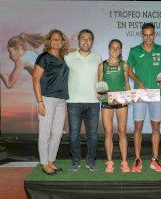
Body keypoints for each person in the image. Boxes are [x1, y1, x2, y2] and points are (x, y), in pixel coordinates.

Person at [127, 22, 161, 172]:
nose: (148, 37)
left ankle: (155, 160)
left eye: (151, 34)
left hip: (156, 94)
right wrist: (138, 82)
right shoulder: (134, 51)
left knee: (156, 127)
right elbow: (129, 70)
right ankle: (137, 159)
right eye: (145, 35)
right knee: (138, 127)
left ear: (154, 35)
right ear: (142, 35)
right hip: (140, 93)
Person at [32, 29, 69, 175]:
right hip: (46, 99)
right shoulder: (43, 57)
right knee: (45, 133)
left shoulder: (63, 58)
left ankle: (51, 161)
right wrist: (40, 102)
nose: (56, 41)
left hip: (61, 100)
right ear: (49, 41)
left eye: (59, 39)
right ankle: (44, 163)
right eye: (53, 39)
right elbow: (35, 79)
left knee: (58, 133)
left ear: (63, 42)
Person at [64, 29, 102, 172]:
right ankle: (75, 161)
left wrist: (101, 93)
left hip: (93, 102)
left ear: (92, 41)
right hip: (74, 102)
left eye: (89, 39)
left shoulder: (98, 58)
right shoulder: (68, 57)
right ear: (78, 40)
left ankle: (91, 161)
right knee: (74, 134)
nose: (86, 41)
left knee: (92, 134)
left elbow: (101, 80)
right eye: (83, 38)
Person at [98, 39, 131, 173]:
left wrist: (128, 97)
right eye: (113, 47)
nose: (115, 50)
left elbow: (127, 83)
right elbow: (99, 87)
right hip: (107, 103)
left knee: (122, 132)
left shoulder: (124, 65)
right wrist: (102, 96)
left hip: (122, 103)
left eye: (118, 48)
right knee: (108, 133)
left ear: (121, 50)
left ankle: (124, 162)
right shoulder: (102, 66)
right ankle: (110, 162)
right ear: (109, 48)